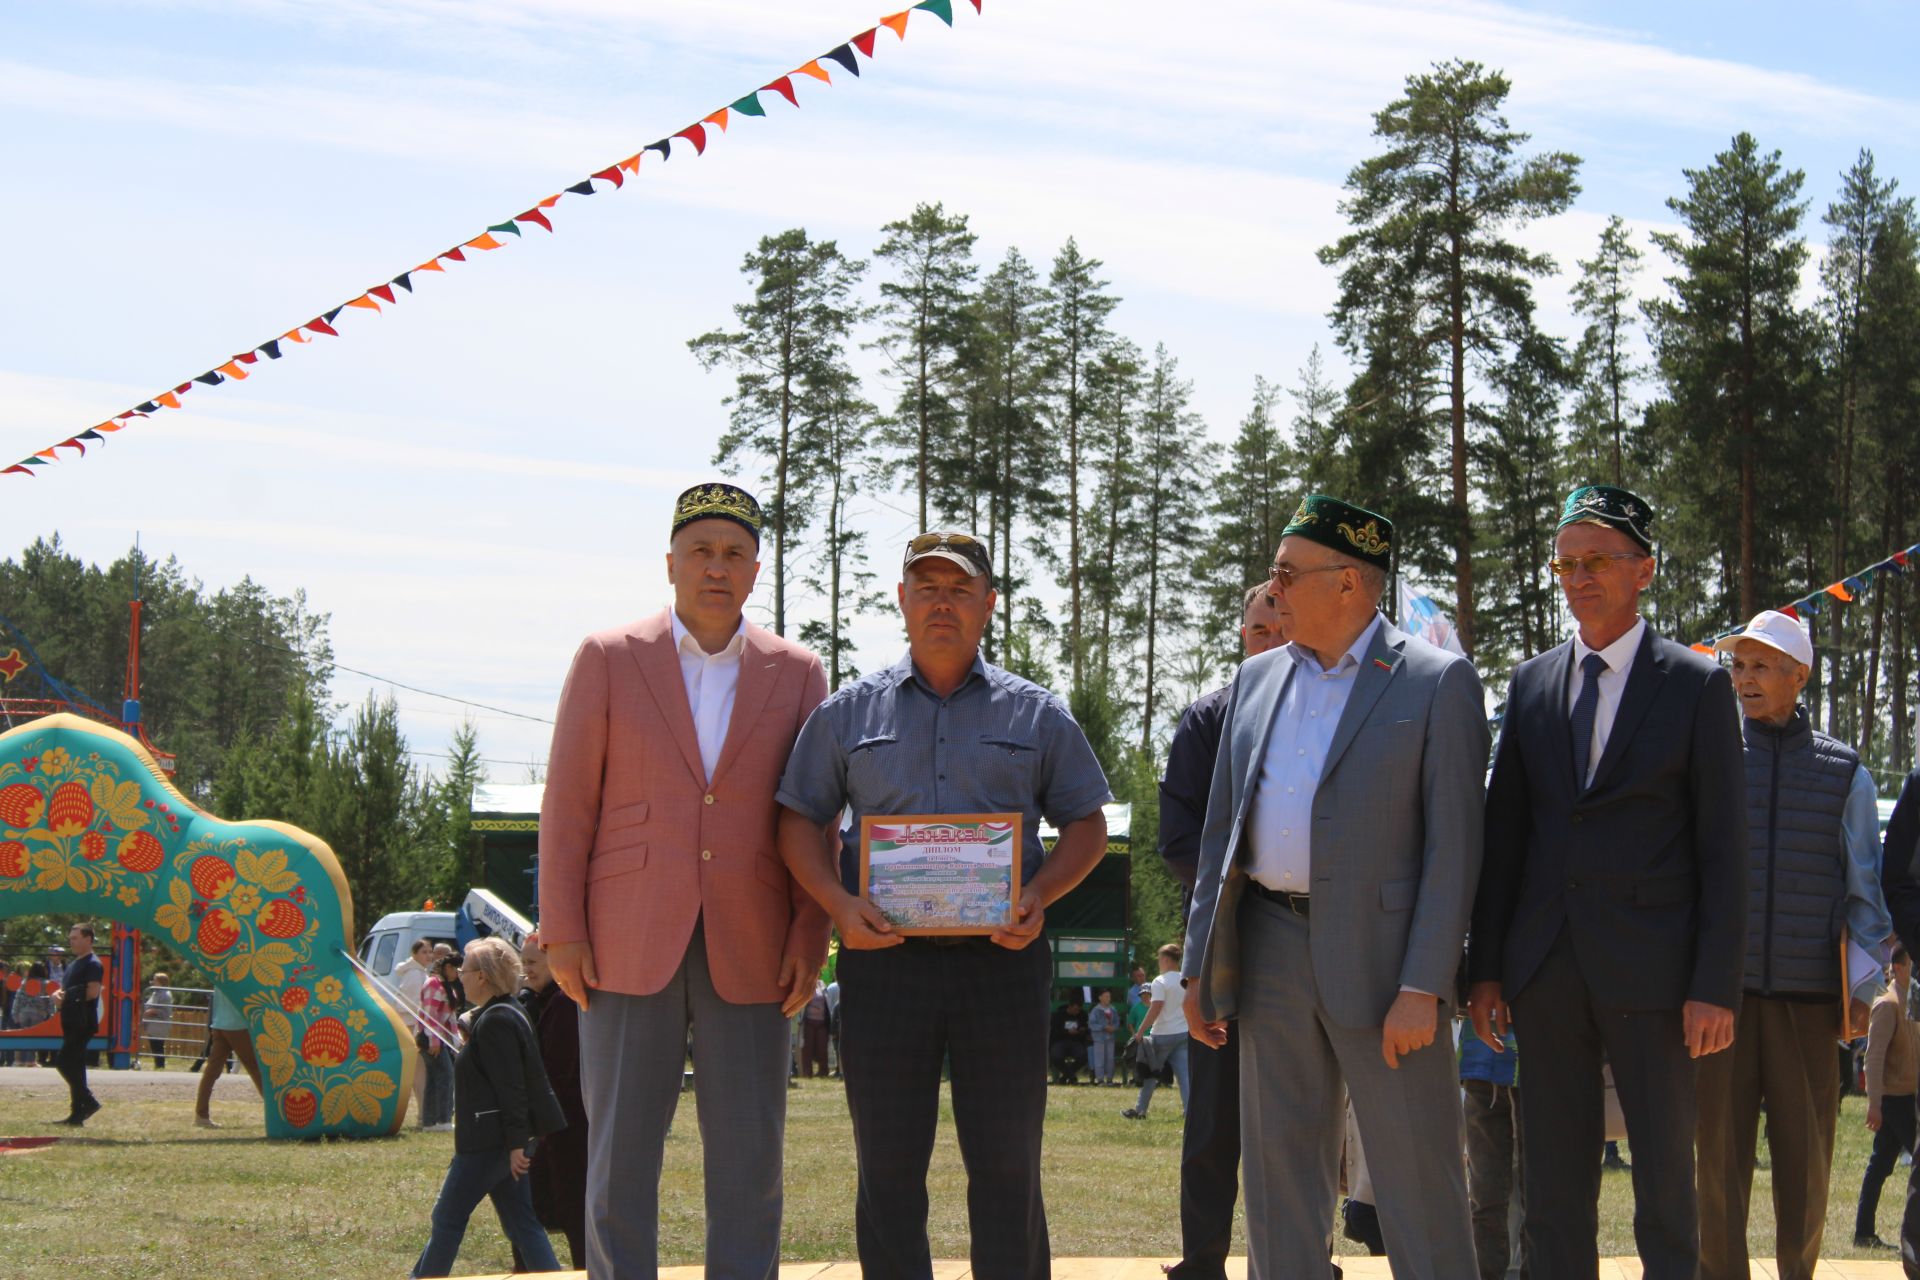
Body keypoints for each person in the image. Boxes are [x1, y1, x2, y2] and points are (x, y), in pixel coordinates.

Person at [776, 530, 1111, 1280]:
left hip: (1002, 965)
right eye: (926, 587)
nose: (941, 603)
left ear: (989, 605)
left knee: (1007, 1168)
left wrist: (1039, 895)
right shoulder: (848, 713)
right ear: (900, 600)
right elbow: (799, 819)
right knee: (888, 1170)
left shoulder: (1036, 714)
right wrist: (835, 903)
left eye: (960, 590)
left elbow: (1087, 823)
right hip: (885, 967)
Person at [1182, 495, 1488, 1280]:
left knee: (1419, 1182)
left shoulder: (1436, 681)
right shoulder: (1253, 681)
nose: (1272, 589)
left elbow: (1455, 849)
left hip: (1390, 969)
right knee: (1279, 1185)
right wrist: (1198, 968)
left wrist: (1426, 983)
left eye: (1287, 573)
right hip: (1270, 948)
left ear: (1349, 582)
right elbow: (1222, 835)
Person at [538, 481, 831, 1280]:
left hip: (757, 943)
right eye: (701, 550)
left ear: (756, 569)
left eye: (735, 553)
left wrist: (812, 931)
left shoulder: (800, 672)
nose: (717, 567)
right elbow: (568, 805)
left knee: (750, 1157)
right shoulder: (607, 657)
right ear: (669, 563)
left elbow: (814, 814)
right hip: (623, 938)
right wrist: (561, 926)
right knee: (619, 1154)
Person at [1468, 484, 1747, 1280]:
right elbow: (1507, 835)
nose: (1578, 576)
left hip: (1658, 978)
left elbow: (1724, 849)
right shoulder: (1531, 684)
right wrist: (1484, 968)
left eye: (1597, 560)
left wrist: (1715, 984)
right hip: (1546, 969)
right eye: (1566, 562)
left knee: (1665, 1184)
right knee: (1551, 1189)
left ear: (1644, 570)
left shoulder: (1697, 685)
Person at [1695, 609, 1891, 1280]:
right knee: (1715, 1167)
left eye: (1760, 666)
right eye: (1738, 665)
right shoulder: (1709, 754)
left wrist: (1865, 991)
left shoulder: (1845, 772)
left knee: (1807, 1169)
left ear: (1797, 675)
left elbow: (1865, 890)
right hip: (1719, 1003)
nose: (1743, 679)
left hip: (1809, 1006)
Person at [1158, 583, 1286, 1280]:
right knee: (1212, 1120)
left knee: (1301, 1118)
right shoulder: (1207, 721)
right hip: (1224, 938)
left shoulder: (1327, 713)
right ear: (1242, 635)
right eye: (1259, 629)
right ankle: (1202, 1261)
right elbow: (1177, 841)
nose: (1270, 639)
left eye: (1281, 626)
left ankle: (1300, 1258)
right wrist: (1252, 877)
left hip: (1309, 937)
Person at [411, 938, 565, 1278]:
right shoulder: (507, 1011)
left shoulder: (497, 1021)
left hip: (488, 1144)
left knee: (447, 1218)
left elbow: (512, 1089)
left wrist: (515, 1145)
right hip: (501, 1142)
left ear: (481, 977)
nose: (459, 976)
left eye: (463, 970)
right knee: (522, 1223)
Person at [518, 937, 589, 1270]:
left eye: (531, 963)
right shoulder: (545, 1001)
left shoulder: (563, 1003)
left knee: (567, 1211)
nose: (525, 970)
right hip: (558, 1126)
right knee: (532, 1208)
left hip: (565, 1129)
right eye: (523, 962)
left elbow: (556, 1072)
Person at [1857, 946, 1918, 1250]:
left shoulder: (1912, 1003)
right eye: (1913, 962)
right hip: (1895, 1100)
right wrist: (1874, 1103)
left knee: (1880, 1165)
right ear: (1898, 966)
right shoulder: (1887, 1004)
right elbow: (1874, 1056)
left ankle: (1863, 1233)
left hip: (1909, 1096)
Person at [1461, 1027, 1525, 1280]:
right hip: (1479, 1067)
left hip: (1538, 1068)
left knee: (1537, 1194)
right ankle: (1487, 1274)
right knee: (1484, 1192)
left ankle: (1522, 1272)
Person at [1124, 943, 1191, 1120]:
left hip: (1162, 1034)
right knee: (1184, 1075)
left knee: (1151, 1072)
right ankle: (1190, 1111)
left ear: (1167, 959)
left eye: (1160, 959)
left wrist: (1140, 1031)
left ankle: (1140, 1110)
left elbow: (1156, 1008)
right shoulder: (1186, 980)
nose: (1159, 962)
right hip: (1183, 1032)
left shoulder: (1160, 982)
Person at [51, 923, 104, 1126]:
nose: (71, 941)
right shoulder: (74, 963)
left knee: (64, 1062)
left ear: (88, 939)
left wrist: (66, 997)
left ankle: (88, 1101)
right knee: (75, 1065)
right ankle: (77, 1113)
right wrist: (58, 994)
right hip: (71, 1019)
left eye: (75, 938)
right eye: (70, 937)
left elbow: (92, 992)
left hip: (83, 1021)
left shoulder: (93, 964)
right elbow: (67, 989)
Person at [192, 988, 264, 1126]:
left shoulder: (221, 972)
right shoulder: (239, 973)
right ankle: (277, 1112)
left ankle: (201, 1115)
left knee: (211, 1071)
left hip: (219, 1024)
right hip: (238, 1025)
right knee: (256, 1069)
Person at [419, 954, 462, 1133]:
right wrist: (434, 1041)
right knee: (446, 1075)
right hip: (430, 1038)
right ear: (448, 967)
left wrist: (456, 1040)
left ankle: (429, 1123)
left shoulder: (444, 985)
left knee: (433, 1079)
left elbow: (450, 1017)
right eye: (456, 970)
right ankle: (443, 1120)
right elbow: (430, 1015)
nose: (458, 974)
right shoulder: (434, 984)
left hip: (437, 1038)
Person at [395, 938, 436, 1124]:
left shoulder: (420, 972)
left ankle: (424, 1113)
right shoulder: (414, 974)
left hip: (418, 1026)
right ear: (415, 954)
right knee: (419, 1072)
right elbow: (409, 1005)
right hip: (414, 1028)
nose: (428, 955)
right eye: (424, 952)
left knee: (421, 1072)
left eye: (430, 952)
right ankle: (423, 1115)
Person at [1050, 992, 1091, 1084]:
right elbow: (1054, 1031)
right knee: (1055, 1056)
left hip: (1076, 1041)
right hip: (1060, 1041)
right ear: (1070, 1006)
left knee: (1083, 1056)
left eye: (1079, 1010)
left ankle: (1066, 1075)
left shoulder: (1082, 1015)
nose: (1077, 1012)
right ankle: (1071, 1075)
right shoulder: (1059, 1015)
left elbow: (1086, 1030)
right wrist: (1067, 1032)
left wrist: (1081, 1030)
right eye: (1075, 1009)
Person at [1088, 988, 1120, 1086]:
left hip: (1110, 1038)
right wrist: (1103, 1027)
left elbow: (1117, 1022)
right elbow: (1092, 1024)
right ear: (1100, 998)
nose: (1108, 998)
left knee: (1110, 1059)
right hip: (1099, 1038)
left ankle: (1110, 1079)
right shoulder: (1095, 1010)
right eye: (1106, 996)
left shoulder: (1113, 1009)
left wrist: (1114, 1028)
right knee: (1099, 1059)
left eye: (1109, 996)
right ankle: (1100, 1080)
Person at [801, 980, 832, 1079]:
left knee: (822, 1048)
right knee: (807, 1048)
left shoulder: (822, 984)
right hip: (809, 1022)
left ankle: (823, 1071)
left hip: (822, 1022)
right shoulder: (805, 985)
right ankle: (807, 1072)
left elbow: (827, 1001)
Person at [143, 972, 173, 1070]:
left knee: (158, 1046)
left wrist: (153, 1011)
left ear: (160, 982)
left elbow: (165, 1012)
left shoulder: (165, 995)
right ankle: (158, 1065)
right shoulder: (156, 993)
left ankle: (160, 1065)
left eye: (155, 980)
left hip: (160, 1024)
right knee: (154, 1045)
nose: (152, 982)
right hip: (154, 1024)